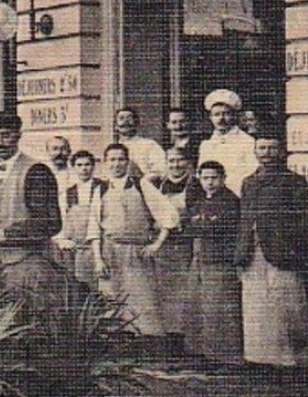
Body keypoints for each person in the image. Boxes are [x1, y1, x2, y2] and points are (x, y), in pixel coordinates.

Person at [235, 136, 308, 370]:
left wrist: (295, 250)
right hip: (253, 252)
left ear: (281, 151)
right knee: (256, 306)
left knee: (285, 305)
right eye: (262, 148)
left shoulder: (293, 181)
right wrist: (241, 252)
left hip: (282, 253)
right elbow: (245, 218)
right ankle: (259, 359)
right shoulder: (249, 182)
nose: (267, 153)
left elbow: (306, 219)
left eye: (272, 148)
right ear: (255, 151)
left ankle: (289, 362)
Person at [87, 144, 179, 339]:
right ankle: (118, 344)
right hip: (109, 251)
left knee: (142, 299)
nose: (116, 164)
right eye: (112, 160)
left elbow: (168, 214)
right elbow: (94, 227)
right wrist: (98, 259)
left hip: (137, 252)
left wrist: (156, 244)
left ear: (127, 162)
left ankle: (146, 343)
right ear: (105, 163)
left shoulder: (140, 185)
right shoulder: (100, 189)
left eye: (121, 159)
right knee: (112, 299)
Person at [0, 111, 64, 308]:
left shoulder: (35, 170)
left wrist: (8, 234)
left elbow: (50, 222)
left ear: (18, 135)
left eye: (6, 135)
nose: (0, 143)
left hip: (28, 264)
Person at [182, 159, 243, 366]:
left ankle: (223, 357)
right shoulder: (198, 201)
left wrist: (204, 228)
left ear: (223, 179)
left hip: (220, 260)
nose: (210, 182)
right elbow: (189, 226)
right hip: (199, 258)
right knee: (196, 306)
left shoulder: (231, 201)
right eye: (205, 178)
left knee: (219, 310)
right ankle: (201, 353)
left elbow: (222, 230)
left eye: (214, 178)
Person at [149, 147, 202, 347]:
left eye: (179, 161)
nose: (175, 165)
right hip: (163, 246)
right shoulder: (160, 185)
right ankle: (168, 337)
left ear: (188, 163)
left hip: (183, 244)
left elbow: (196, 215)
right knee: (164, 292)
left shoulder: (195, 185)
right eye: (171, 161)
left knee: (185, 292)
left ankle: (185, 339)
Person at [53, 150, 102, 286]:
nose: (84, 169)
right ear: (73, 167)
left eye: (87, 164)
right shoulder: (67, 194)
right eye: (79, 165)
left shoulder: (104, 188)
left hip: (101, 247)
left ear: (93, 166)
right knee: (81, 286)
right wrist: (63, 240)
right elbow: (63, 221)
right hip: (78, 250)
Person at [202, 89, 259, 196]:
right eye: (216, 114)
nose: (221, 119)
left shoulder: (247, 142)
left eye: (226, 114)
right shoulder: (206, 145)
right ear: (211, 118)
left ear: (234, 116)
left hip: (237, 197)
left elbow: (251, 174)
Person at [113, 106, 168, 181]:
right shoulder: (112, 149)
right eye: (121, 118)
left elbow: (162, 171)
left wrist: (140, 182)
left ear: (136, 123)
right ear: (116, 126)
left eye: (129, 118)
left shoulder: (150, 145)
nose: (125, 121)